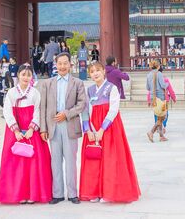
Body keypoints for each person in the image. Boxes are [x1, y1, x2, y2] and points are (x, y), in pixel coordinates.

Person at [80, 61, 140, 203]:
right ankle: (93, 192)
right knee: (93, 160)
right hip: (92, 128)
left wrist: (102, 129)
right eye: (92, 71)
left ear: (103, 72)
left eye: (98, 70)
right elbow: (84, 110)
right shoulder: (89, 90)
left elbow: (114, 109)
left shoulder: (112, 88)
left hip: (109, 127)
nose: (95, 73)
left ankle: (108, 192)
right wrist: (87, 129)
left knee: (110, 158)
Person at [0, 64, 52, 204]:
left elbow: (38, 111)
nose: (26, 77)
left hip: (31, 130)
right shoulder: (11, 93)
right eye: (23, 74)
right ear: (18, 76)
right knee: (16, 162)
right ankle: (19, 194)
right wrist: (15, 130)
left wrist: (32, 128)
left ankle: (33, 194)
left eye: (28, 75)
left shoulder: (35, 93)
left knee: (33, 162)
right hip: (15, 130)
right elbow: (7, 111)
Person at [40, 52, 86, 204]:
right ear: (56, 65)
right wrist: (43, 128)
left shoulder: (77, 83)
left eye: (65, 63)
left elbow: (81, 104)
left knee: (71, 160)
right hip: (53, 125)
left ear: (70, 65)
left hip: (69, 124)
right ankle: (57, 193)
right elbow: (43, 107)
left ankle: (72, 193)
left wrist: (66, 114)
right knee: (55, 161)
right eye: (60, 63)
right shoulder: (47, 83)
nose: (62, 66)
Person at [147, 66, 176, 132]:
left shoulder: (151, 78)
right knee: (165, 113)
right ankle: (163, 125)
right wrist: (174, 98)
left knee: (156, 113)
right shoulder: (165, 80)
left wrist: (149, 100)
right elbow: (170, 90)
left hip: (155, 99)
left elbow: (149, 90)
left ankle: (158, 126)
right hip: (164, 99)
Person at [146, 60, 167, 142]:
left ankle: (161, 136)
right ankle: (151, 132)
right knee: (163, 116)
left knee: (159, 116)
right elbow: (163, 85)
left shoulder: (148, 75)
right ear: (158, 66)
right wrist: (167, 85)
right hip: (160, 97)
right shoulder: (159, 74)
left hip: (152, 97)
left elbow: (147, 88)